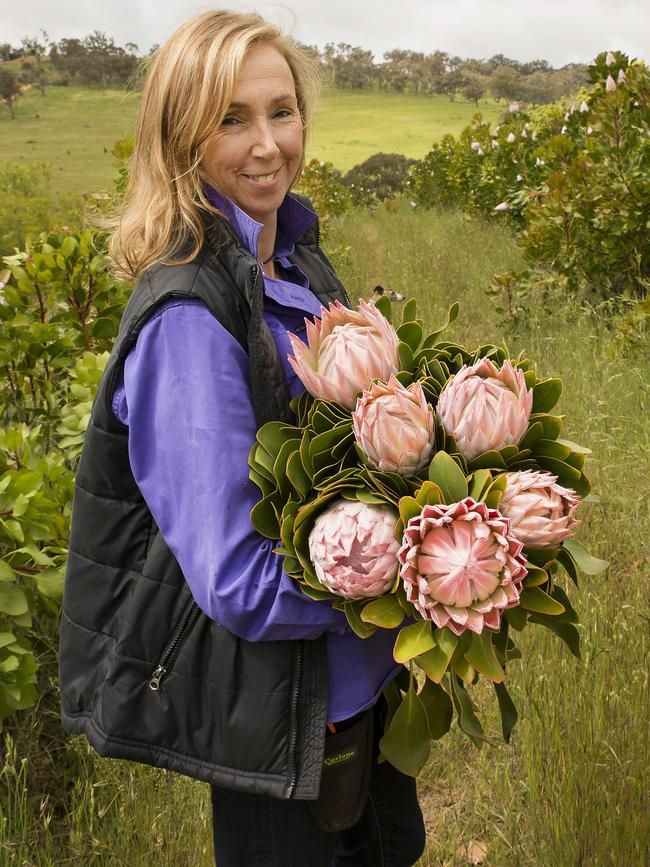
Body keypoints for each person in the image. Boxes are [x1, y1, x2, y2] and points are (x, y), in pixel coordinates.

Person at [59, 10, 426, 866]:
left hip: (360, 688)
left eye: (281, 110)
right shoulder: (190, 318)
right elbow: (237, 578)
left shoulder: (292, 260)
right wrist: (416, 584)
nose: (267, 144)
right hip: (282, 727)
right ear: (180, 136)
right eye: (231, 118)